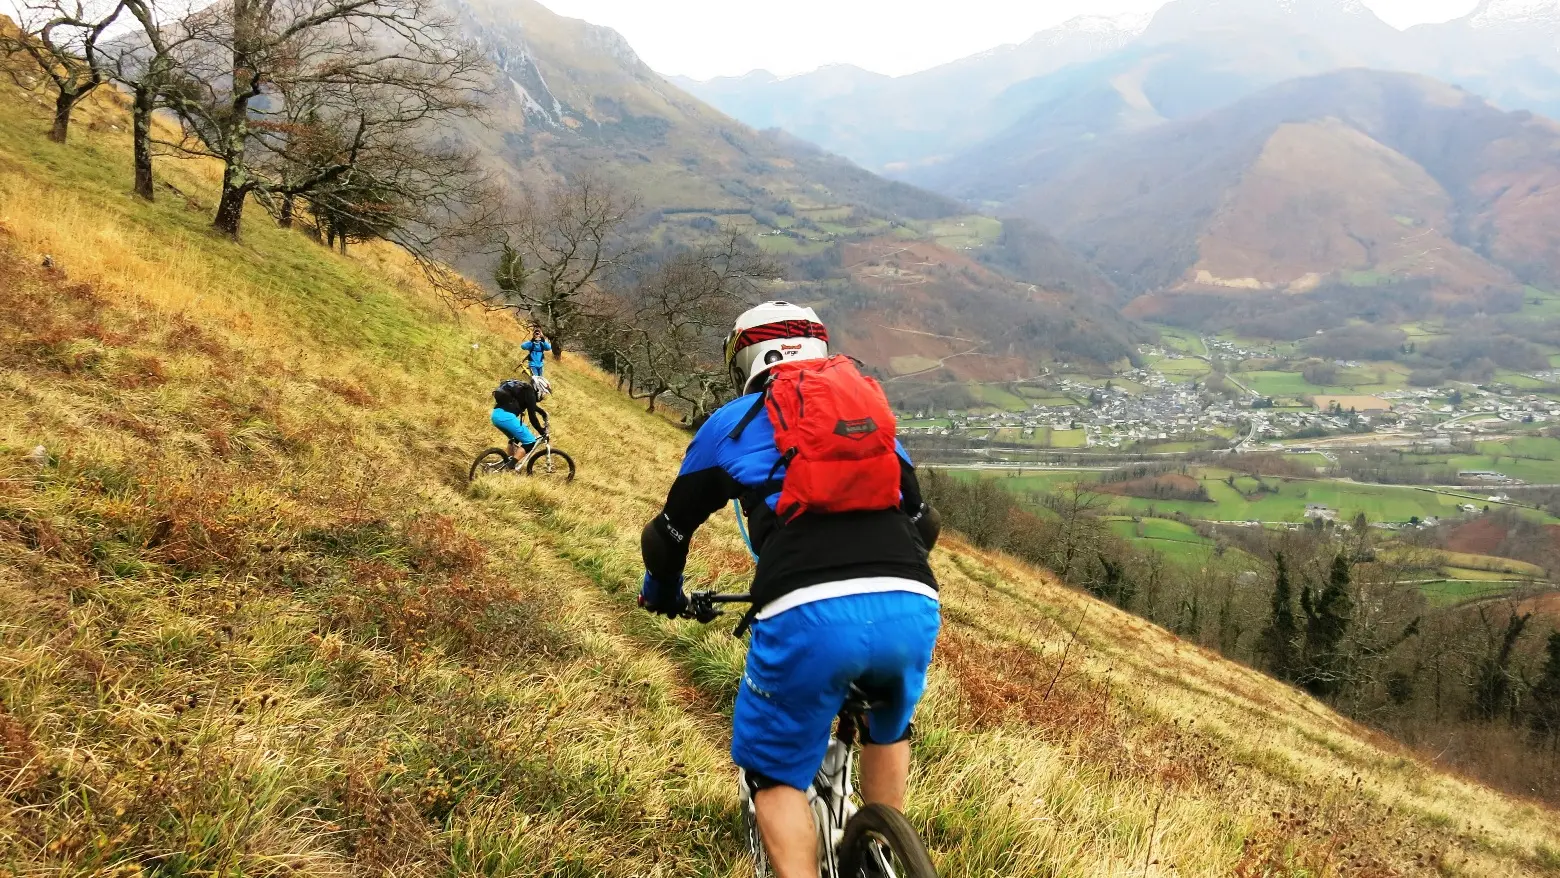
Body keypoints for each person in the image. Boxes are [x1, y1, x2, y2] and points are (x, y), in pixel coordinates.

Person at [638, 301, 942, 878]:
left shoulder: (733, 421)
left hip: (805, 607)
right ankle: (881, 851)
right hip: (911, 598)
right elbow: (924, 523)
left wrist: (663, 592)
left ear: (746, 359)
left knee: (774, 776)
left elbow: (668, 532)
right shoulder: (867, 416)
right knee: (889, 723)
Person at [491, 377, 548, 461]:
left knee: (515, 438)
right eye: (544, 393)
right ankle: (510, 465)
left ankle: (508, 461)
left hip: (496, 415)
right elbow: (533, 419)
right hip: (506, 418)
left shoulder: (524, 390)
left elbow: (531, 406)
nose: (543, 396)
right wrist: (542, 432)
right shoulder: (530, 393)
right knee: (530, 442)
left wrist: (542, 412)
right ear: (539, 388)